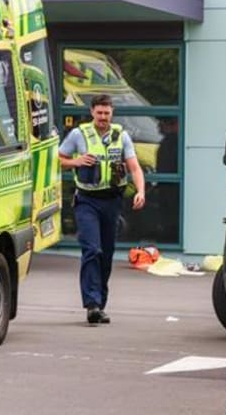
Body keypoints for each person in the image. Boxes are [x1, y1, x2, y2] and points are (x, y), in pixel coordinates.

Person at [58, 94, 146, 325]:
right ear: (92, 112)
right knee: (92, 250)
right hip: (87, 200)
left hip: (112, 202)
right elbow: (58, 158)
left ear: (112, 113)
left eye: (107, 113)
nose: (103, 118)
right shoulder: (79, 134)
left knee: (106, 255)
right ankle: (92, 304)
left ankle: (100, 304)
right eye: (99, 113)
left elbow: (134, 168)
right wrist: (75, 162)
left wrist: (140, 191)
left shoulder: (121, 136)